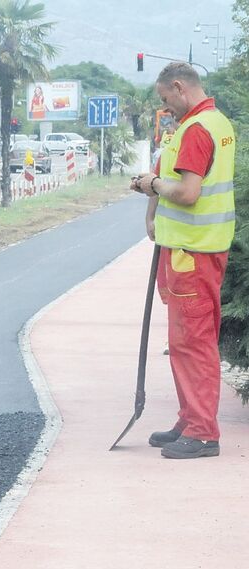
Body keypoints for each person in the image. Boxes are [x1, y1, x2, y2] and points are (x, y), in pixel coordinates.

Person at [130, 62, 236, 460]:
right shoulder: (216, 122)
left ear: (179, 87)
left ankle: (203, 432)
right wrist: (154, 197)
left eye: (165, 99)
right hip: (198, 247)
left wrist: (152, 185)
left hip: (193, 251)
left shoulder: (196, 130)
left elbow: (189, 193)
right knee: (186, 341)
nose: (166, 107)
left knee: (193, 344)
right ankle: (190, 418)